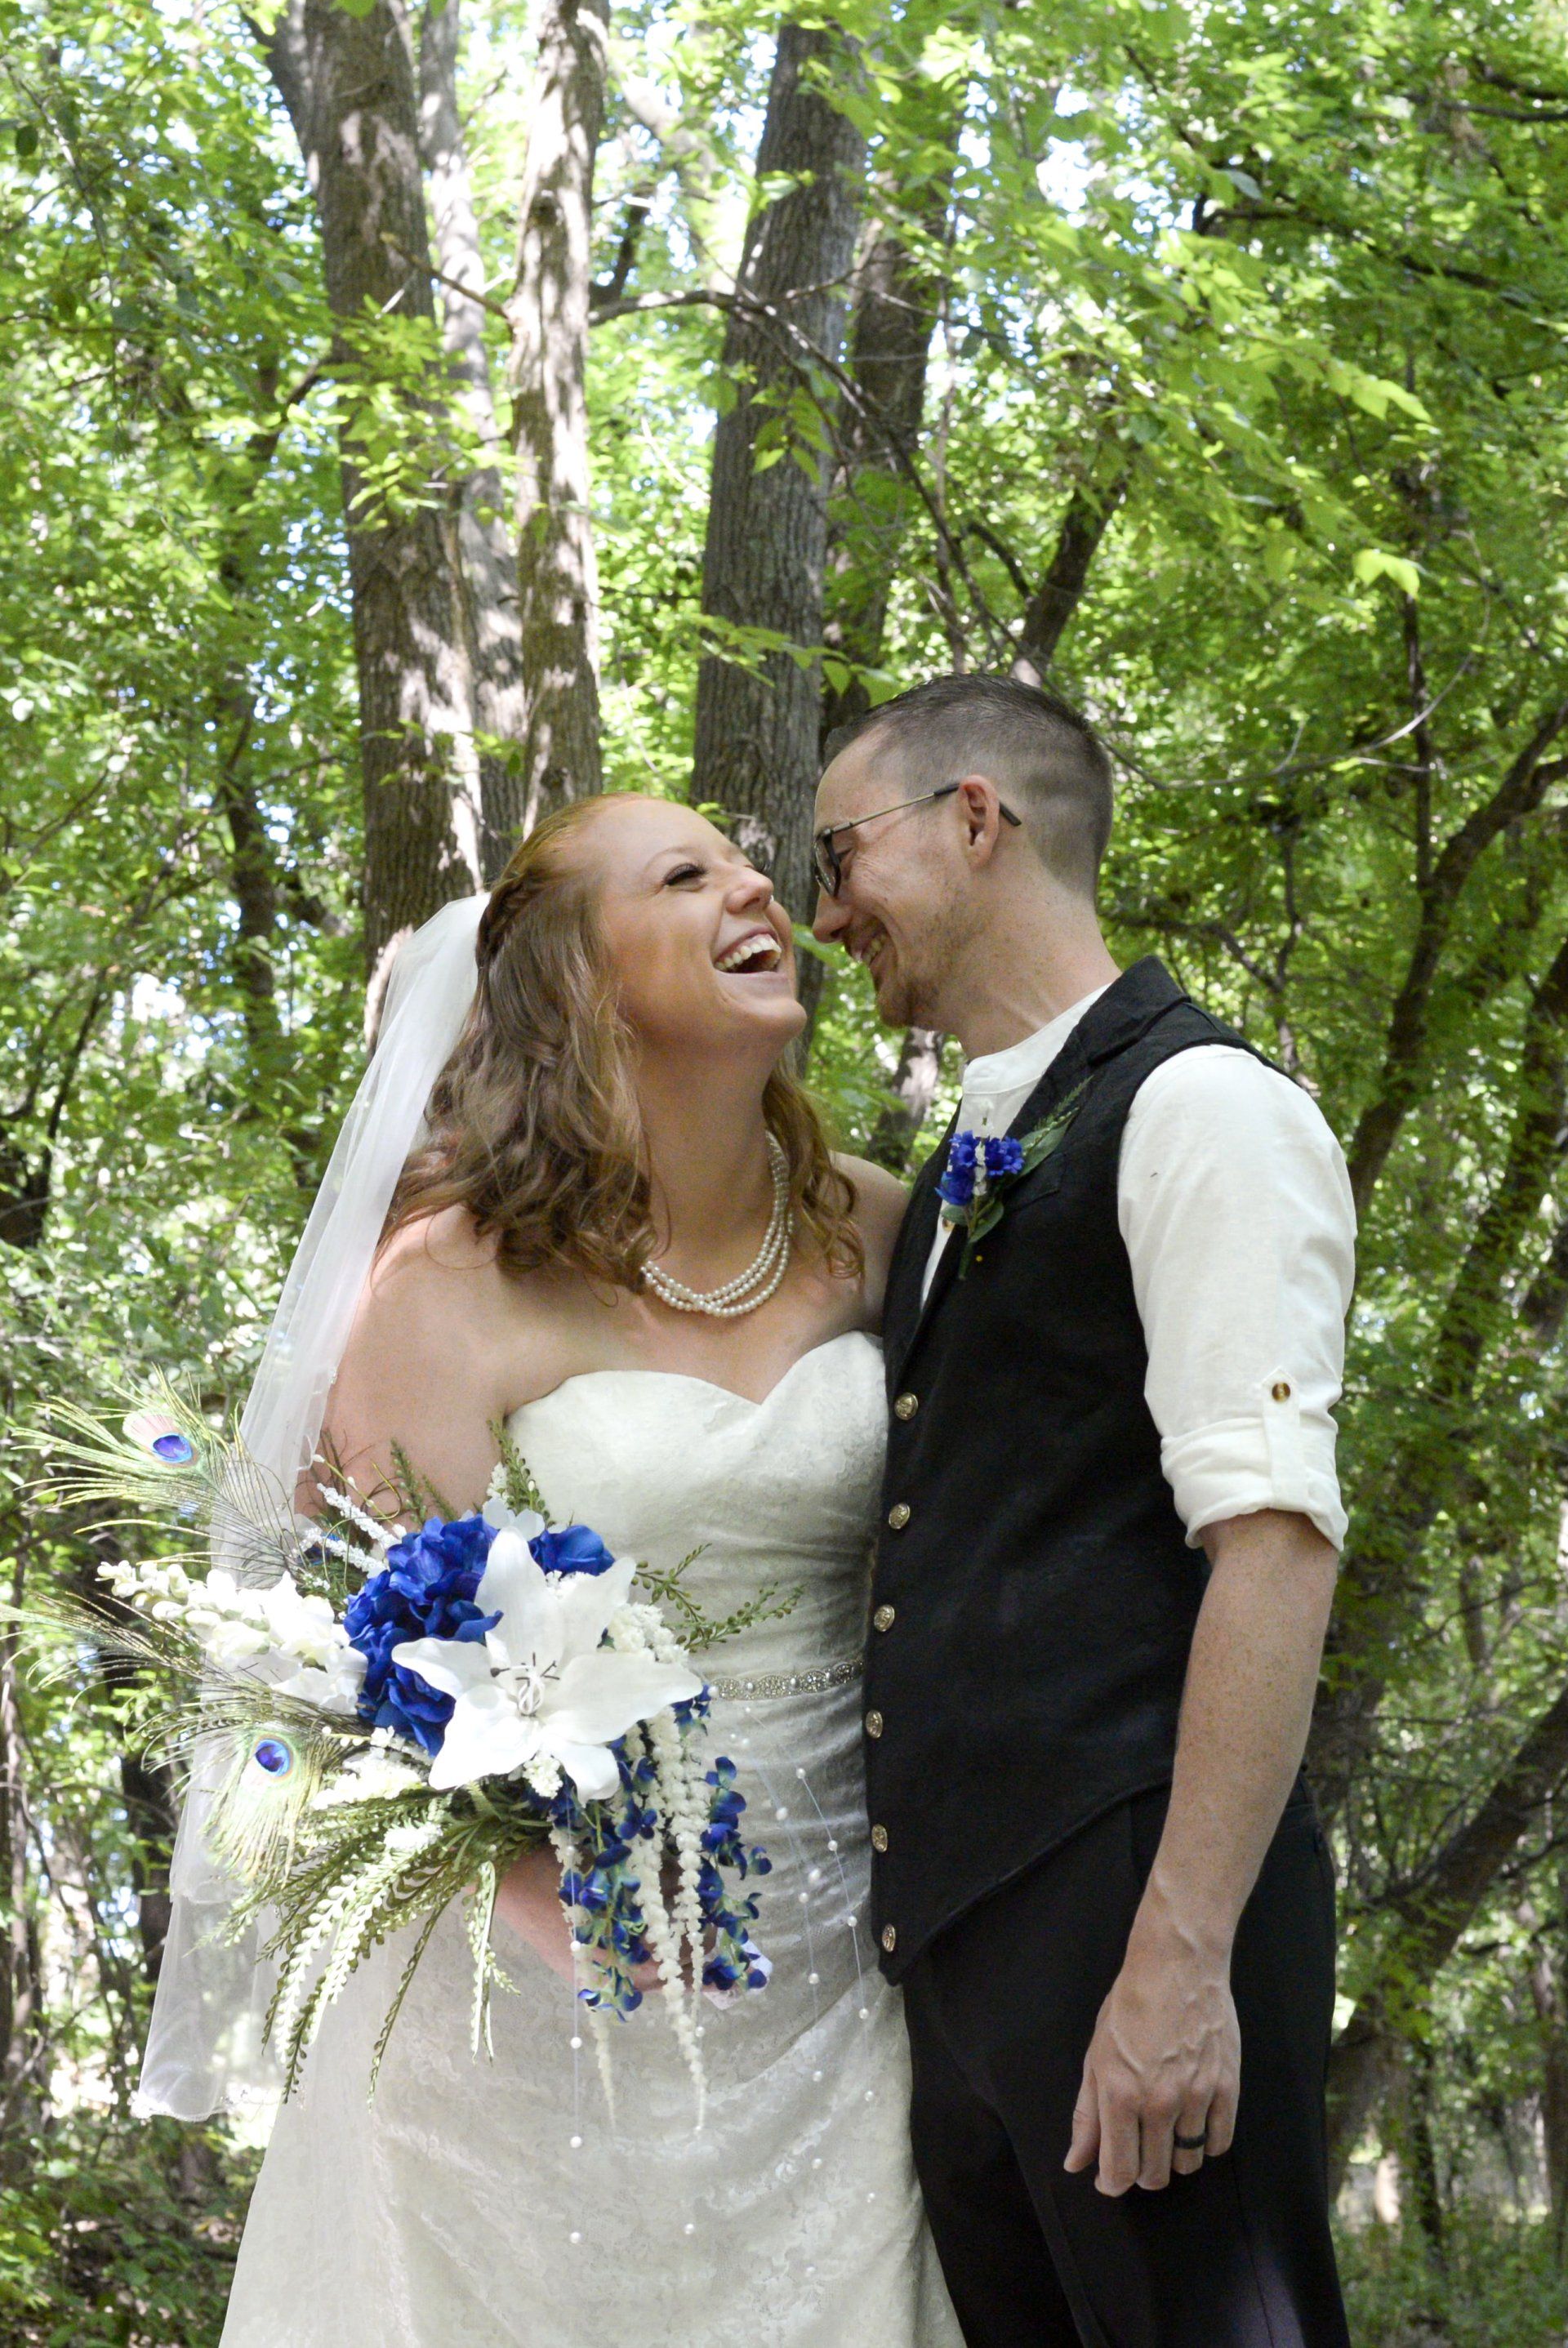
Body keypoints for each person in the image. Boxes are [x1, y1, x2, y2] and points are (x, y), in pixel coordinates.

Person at [194, 795, 961, 2347]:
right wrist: (569, 1889)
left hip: (845, 1957)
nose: (757, 884)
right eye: (687, 876)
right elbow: (387, 1665)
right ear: (577, 986)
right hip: (532, 1989)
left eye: (750, 864)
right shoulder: (446, 1286)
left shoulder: (883, 1231)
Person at [811, 672, 1356, 2348]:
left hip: (1137, 1915)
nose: (831, 917)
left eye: (841, 858)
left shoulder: (1203, 1112)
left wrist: (1179, 1961)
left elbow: (1271, 1544)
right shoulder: (992, 1135)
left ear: (975, 820)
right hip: (981, 1955)